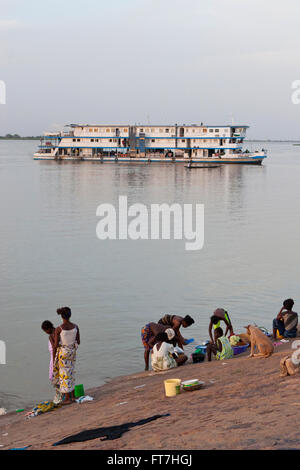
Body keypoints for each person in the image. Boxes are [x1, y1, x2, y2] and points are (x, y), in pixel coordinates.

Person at [53, 307, 80, 405]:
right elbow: (78, 341)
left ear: (61, 316)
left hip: (63, 353)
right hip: (72, 352)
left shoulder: (59, 329)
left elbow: (55, 345)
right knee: (71, 372)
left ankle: (67, 398)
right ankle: (72, 396)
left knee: (64, 375)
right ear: (70, 315)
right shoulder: (76, 327)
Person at [41, 320, 62, 405]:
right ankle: (63, 394)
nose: (45, 332)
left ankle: (60, 395)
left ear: (48, 328)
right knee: (62, 377)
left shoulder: (52, 336)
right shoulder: (58, 331)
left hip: (55, 358)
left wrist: (53, 362)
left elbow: (54, 349)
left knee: (54, 377)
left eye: (45, 330)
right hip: (61, 356)